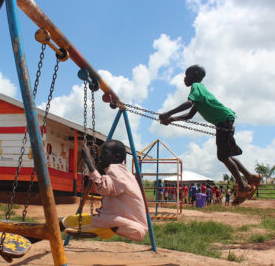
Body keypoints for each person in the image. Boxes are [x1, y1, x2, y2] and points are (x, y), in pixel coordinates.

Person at [159, 65, 262, 205]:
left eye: (186, 75)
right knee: (225, 156)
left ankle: (243, 186)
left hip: (223, 120)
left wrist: (167, 113)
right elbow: (190, 115)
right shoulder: (200, 93)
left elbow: (188, 104)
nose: (184, 78)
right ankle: (251, 177)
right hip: (224, 120)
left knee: (222, 156)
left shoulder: (196, 86)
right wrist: (171, 119)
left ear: (195, 75)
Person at [62, 140, 148, 242]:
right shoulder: (121, 171)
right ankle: (101, 229)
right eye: (101, 153)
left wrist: (88, 161)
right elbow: (109, 184)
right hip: (126, 223)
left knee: (70, 222)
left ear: (116, 157)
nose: (101, 156)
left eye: (105, 153)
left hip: (132, 226)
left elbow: (104, 188)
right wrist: (98, 166)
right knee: (74, 219)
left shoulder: (116, 169)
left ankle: (99, 229)